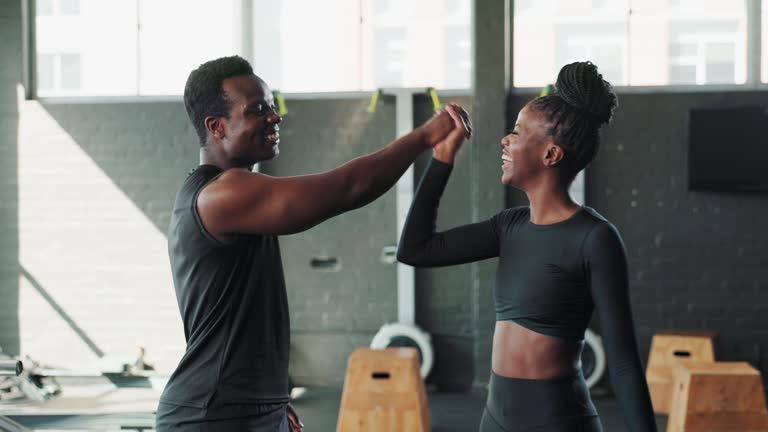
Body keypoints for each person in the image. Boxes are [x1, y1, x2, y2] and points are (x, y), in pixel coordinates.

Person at [155, 55, 468, 431]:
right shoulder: (221, 195)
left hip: (246, 407)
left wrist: (271, 399)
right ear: (216, 127)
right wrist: (424, 136)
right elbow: (348, 188)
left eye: (271, 106)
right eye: (257, 110)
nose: (274, 117)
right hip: (212, 414)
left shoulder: (230, 194)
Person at [397, 61, 657, 431]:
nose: (505, 140)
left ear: (551, 155)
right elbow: (415, 250)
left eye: (517, 132)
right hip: (495, 419)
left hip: (559, 421)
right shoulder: (509, 226)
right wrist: (442, 159)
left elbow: (624, 362)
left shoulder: (595, 238)